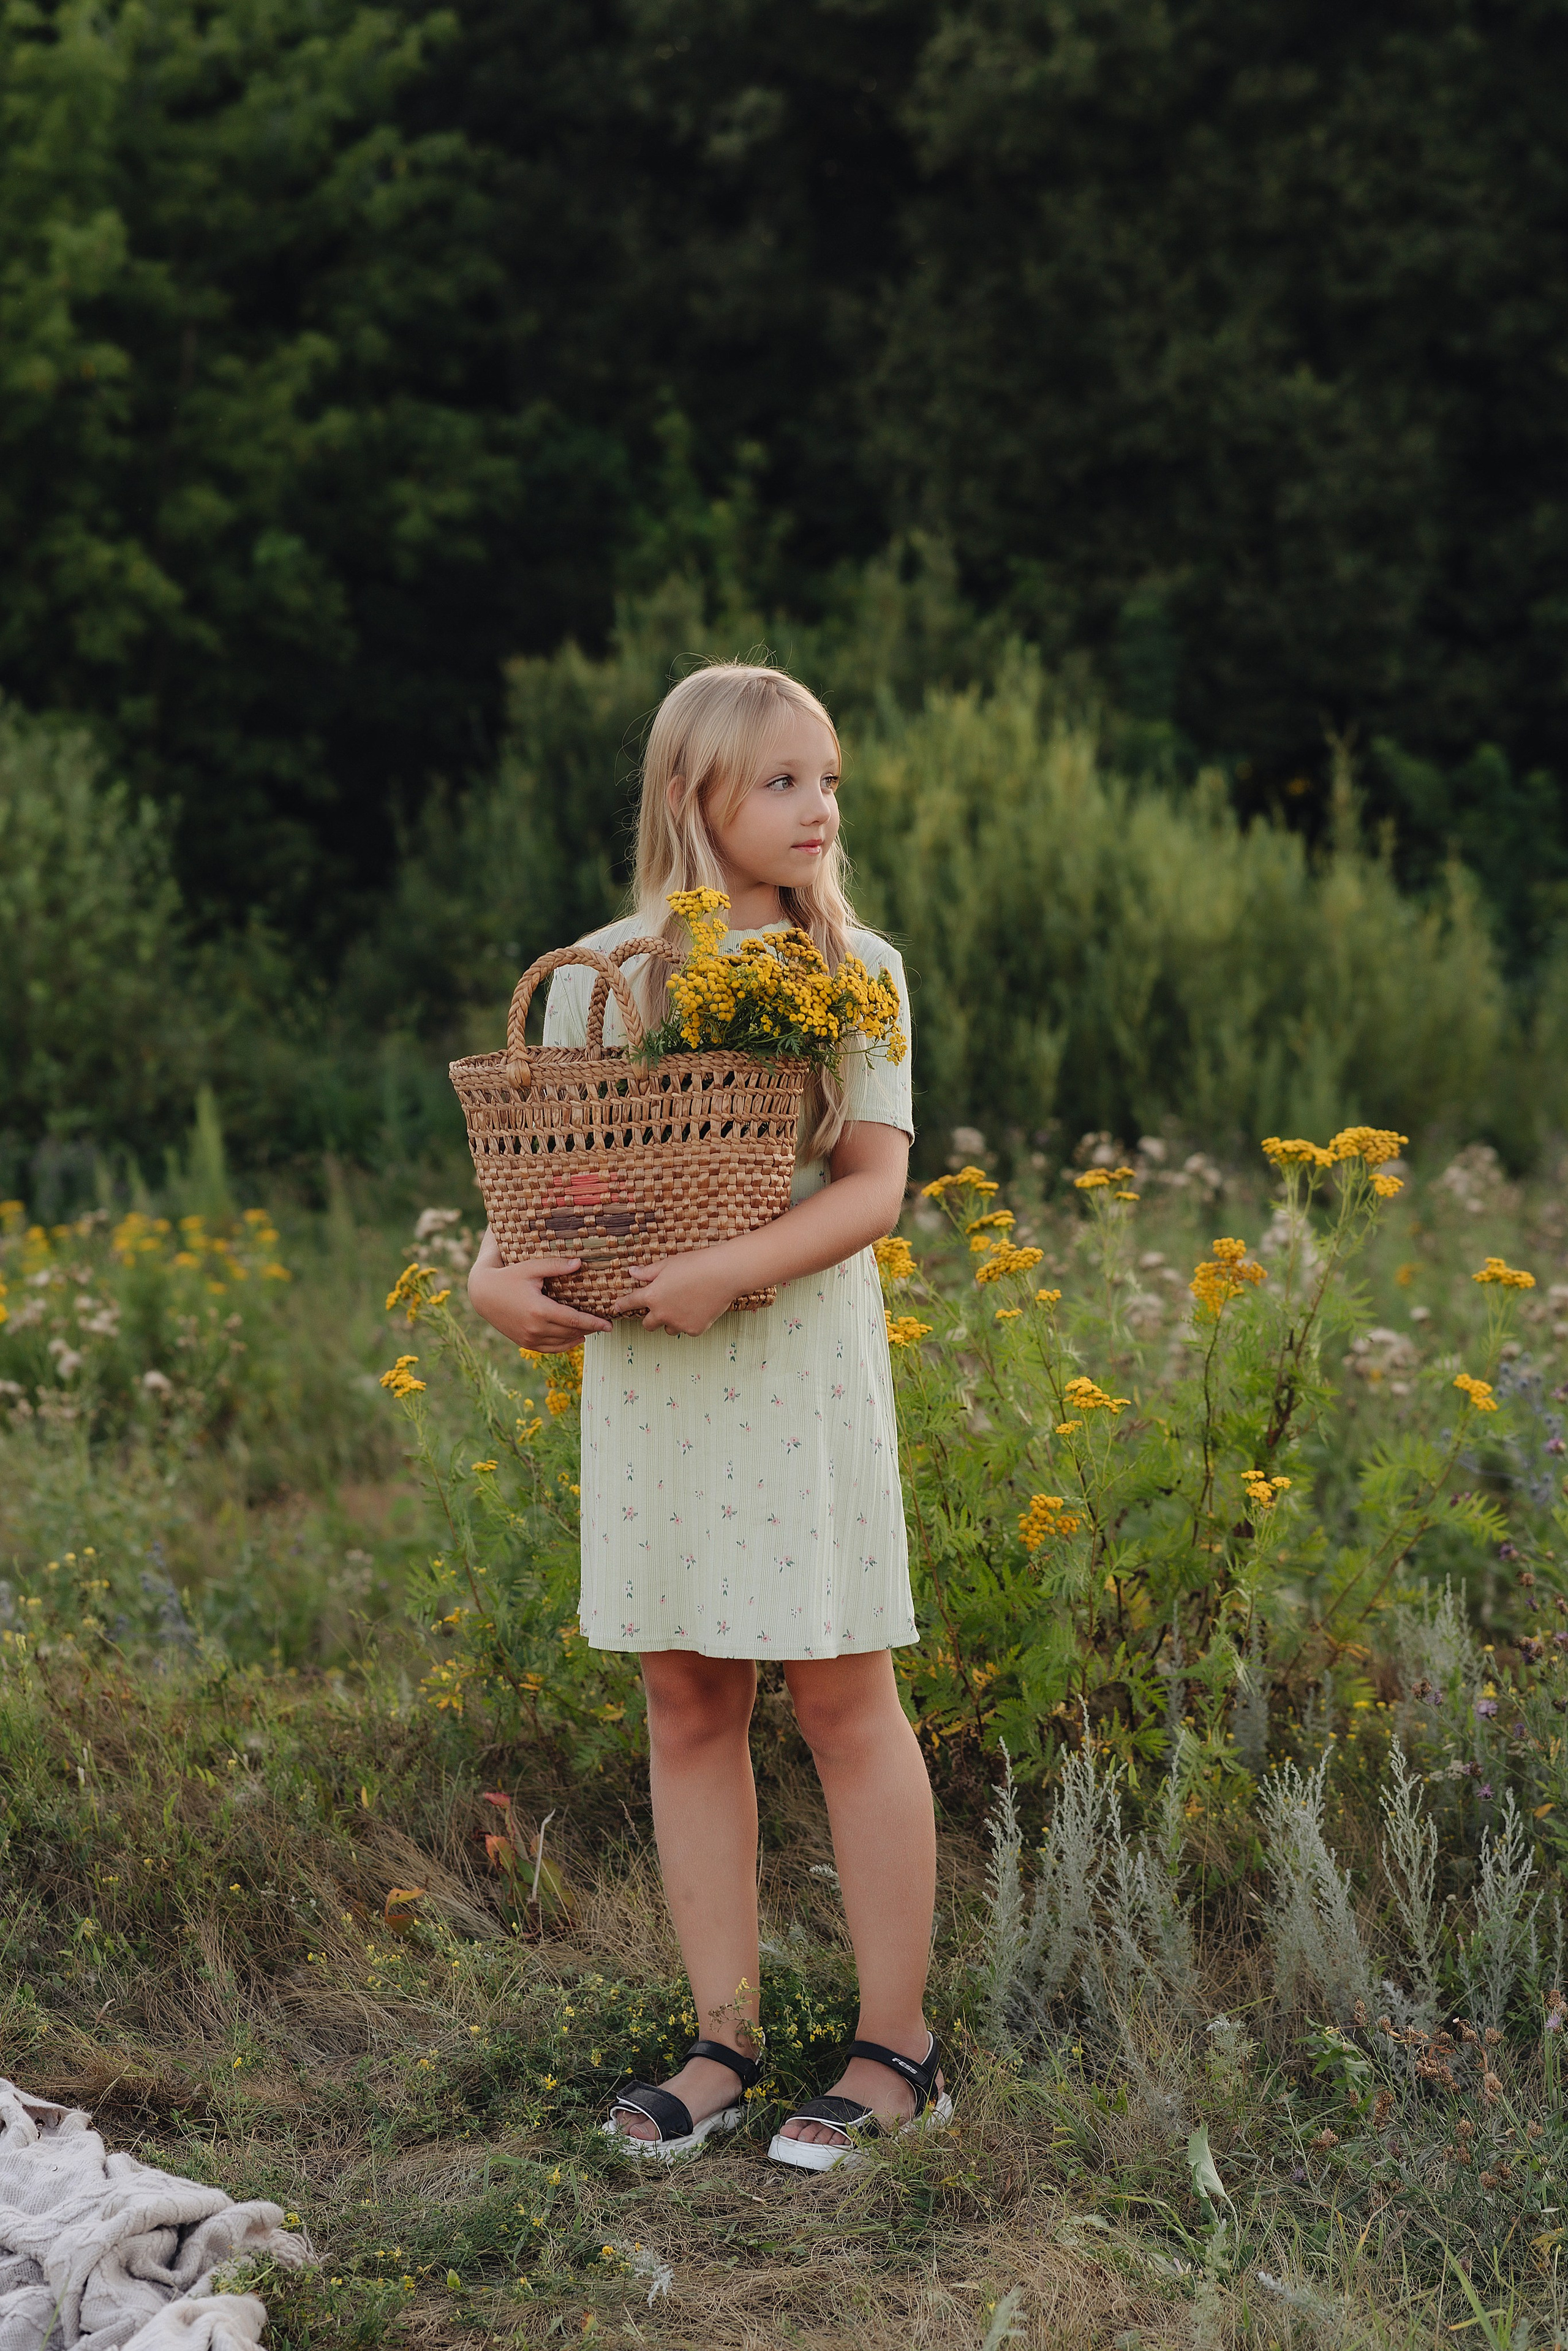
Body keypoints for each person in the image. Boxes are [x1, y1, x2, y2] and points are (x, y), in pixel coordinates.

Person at [467, 662, 946, 2170]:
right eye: (783, 782)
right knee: (686, 1696)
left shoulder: (852, 964)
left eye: (829, 780)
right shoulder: (592, 976)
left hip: (791, 1356)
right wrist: (496, 1282)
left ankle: (896, 2047)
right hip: (651, 1378)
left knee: (837, 1691)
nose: (820, 810)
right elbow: (543, 1186)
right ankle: (719, 2037)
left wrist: (720, 1270)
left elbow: (873, 1180)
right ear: (694, 800)